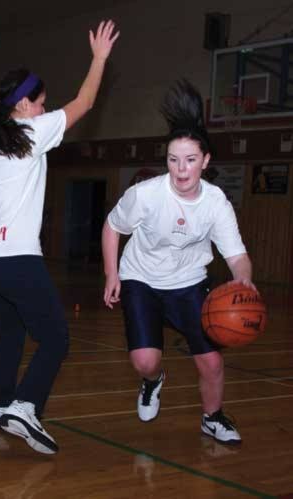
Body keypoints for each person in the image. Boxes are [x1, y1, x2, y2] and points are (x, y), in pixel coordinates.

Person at [0, 12, 119, 454]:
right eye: (42, 101)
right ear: (26, 104)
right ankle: (24, 407)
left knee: (10, 330)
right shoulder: (32, 131)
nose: (46, 108)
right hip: (14, 258)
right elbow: (85, 102)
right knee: (55, 338)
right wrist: (100, 58)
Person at [102, 79, 256, 445]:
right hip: (140, 279)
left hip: (188, 282)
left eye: (189, 160)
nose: (181, 169)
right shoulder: (145, 195)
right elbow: (112, 227)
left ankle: (212, 418)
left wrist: (242, 281)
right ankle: (153, 381)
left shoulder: (216, 202)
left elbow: (237, 256)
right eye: (173, 160)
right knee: (144, 360)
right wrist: (112, 274)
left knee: (213, 362)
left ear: (205, 161)